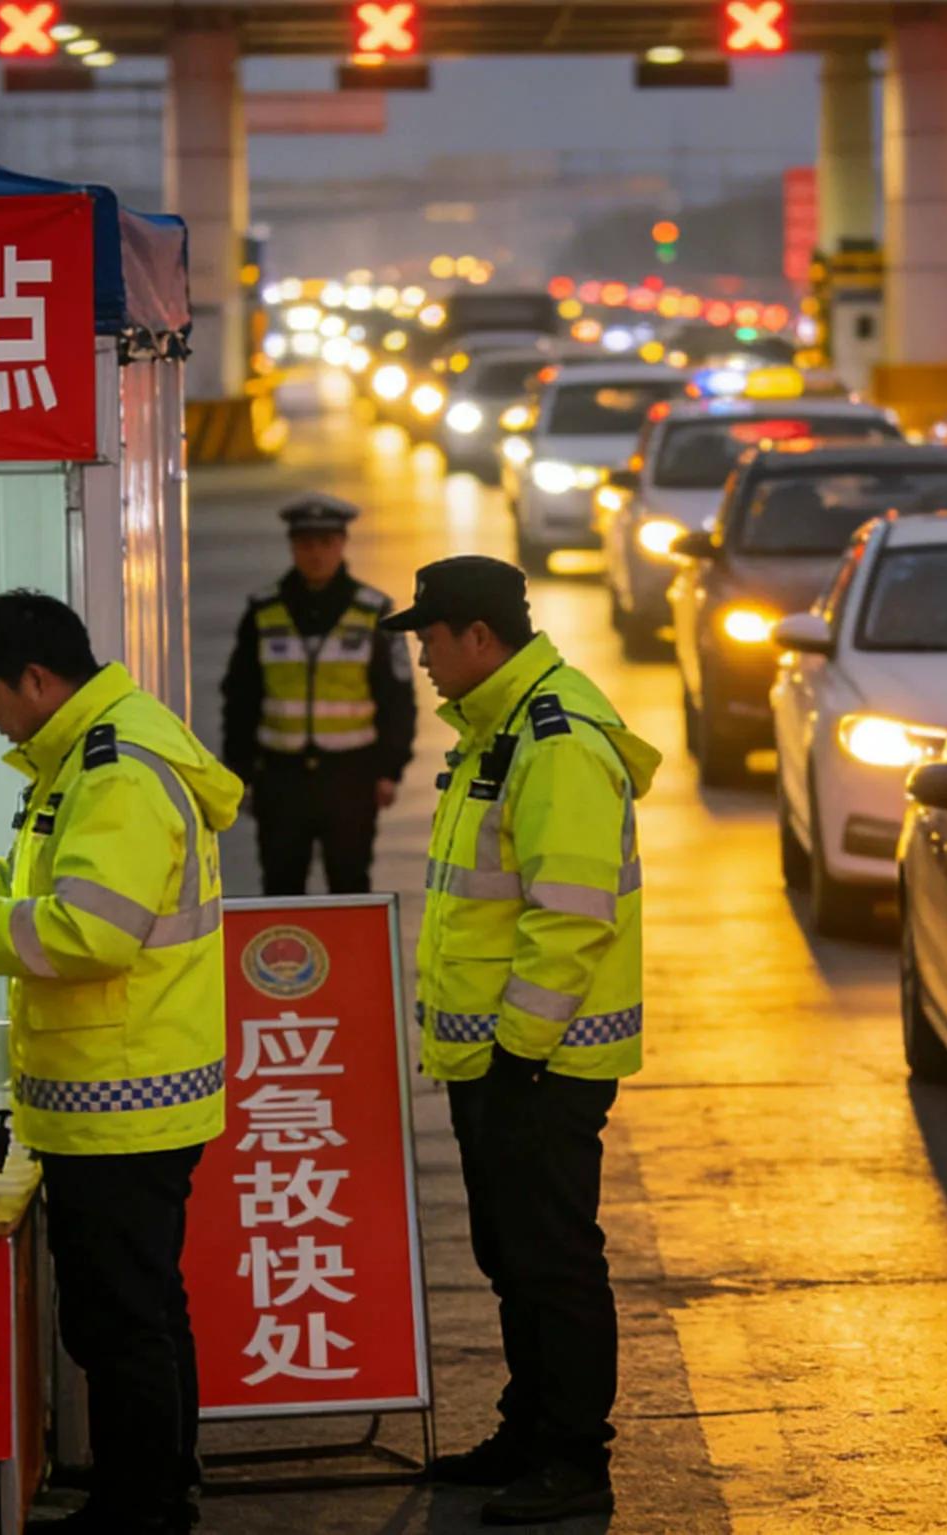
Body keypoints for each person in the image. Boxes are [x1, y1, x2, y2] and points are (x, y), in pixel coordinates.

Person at [0, 590, 241, 1535]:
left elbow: (90, 928)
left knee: (120, 1319)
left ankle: (144, 1505)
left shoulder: (116, 770)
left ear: (38, 679)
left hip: (123, 1096)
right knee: (141, 1304)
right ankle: (159, 1478)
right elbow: (48, 878)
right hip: (122, 1090)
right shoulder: (87, 754)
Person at [386, 556, 657, 1525]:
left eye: (429, 636)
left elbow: (570, 914)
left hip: (540, 1061)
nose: (420, 656)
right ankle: (530, 1427)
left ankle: (576, 1455)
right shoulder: (498, 729)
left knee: (553, 1254)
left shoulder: (555, 737)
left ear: (478, 636)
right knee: (512, 1250)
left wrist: (520, 1050)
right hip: (500, 1057)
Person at [219, 495, 416, 895]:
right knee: (280, 889)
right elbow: (239, 696)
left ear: (342, 544)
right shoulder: (263, 610)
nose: (316, 554)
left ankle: (352, 961)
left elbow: (398, 696)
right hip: (280, 777)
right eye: (307, 544)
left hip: (351, 776)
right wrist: (241, 771)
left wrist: (389, 769)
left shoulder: (375, 610)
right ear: (293, 547)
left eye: (326, 543)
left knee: (350, 887)